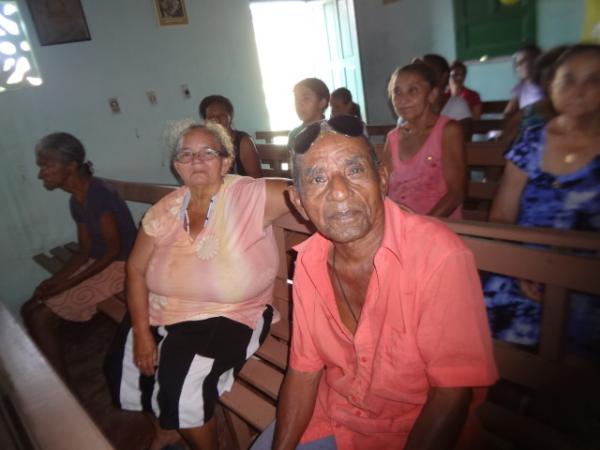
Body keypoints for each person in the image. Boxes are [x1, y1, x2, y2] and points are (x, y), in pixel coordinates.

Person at [251, 115, 498, 450]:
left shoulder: (438, 255)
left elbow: (451, 393)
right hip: (336, 417)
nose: (339, 192)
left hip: (413, 431)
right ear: (299, 203)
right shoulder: (309, 259)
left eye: (354, 170)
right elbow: (304, 371)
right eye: (317, 178)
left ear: (382, 179)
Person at [104, 122, 291, 450]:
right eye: (186, 154)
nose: (197, 161)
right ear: (177, 165)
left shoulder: (250, 194)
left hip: (231, 313)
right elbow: (135, 268)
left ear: (225, 160)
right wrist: (143, 332)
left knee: (179, 378)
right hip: (166, 308)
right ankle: (167, 428)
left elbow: (307, 193)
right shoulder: (167, 208)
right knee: (124, 362)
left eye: (208, 152)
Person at [485, 44, 600, 356]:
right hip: (525, 265)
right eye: (569, 80)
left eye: (593, 80)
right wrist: (525, 266)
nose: (579, 90)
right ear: (551, 86)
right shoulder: (532, 139)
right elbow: (502, 215)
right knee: (485, 330)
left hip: (588, 275)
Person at [21, 132, 137, 380]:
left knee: (40, 317)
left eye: (47, 166)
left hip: (123, 264)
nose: (42, 173)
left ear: (71, 166)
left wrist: (68, 283)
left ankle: (64, 391)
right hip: (100, 260)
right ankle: (54, 375)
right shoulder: (77, 199)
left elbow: (113, 250)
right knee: (30, 306)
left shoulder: (98, 193)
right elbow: (84, 249)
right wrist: (56, 280)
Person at [382, 62, 466, 218]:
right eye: (397, 92)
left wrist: (421, 227)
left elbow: (456, 194)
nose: (403, 99)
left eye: (413, 90)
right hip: (401, 226)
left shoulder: (448, 130)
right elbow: (382, 187)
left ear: (432, 95)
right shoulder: (393, 137)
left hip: (439, 226)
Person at [199, 94, 262, 178]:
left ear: (230, 117)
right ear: (205, 121)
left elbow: (257, 180)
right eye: (211, 117)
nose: (217, 120)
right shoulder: (204, 144)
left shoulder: (244, 142)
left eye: (222, 115)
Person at [288, 78, 330, 151]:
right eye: (296, 99)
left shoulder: (332, 132)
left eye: (306, 98)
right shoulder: (294, 134)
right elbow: (292, 160)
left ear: (322, 103)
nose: (299, 104)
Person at [503, 44, 543, 118]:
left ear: (536, 60)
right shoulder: (521, 88)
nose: (519, 65)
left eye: (524, 61)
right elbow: (507, 113)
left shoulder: (548, 84)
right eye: (517, 64)